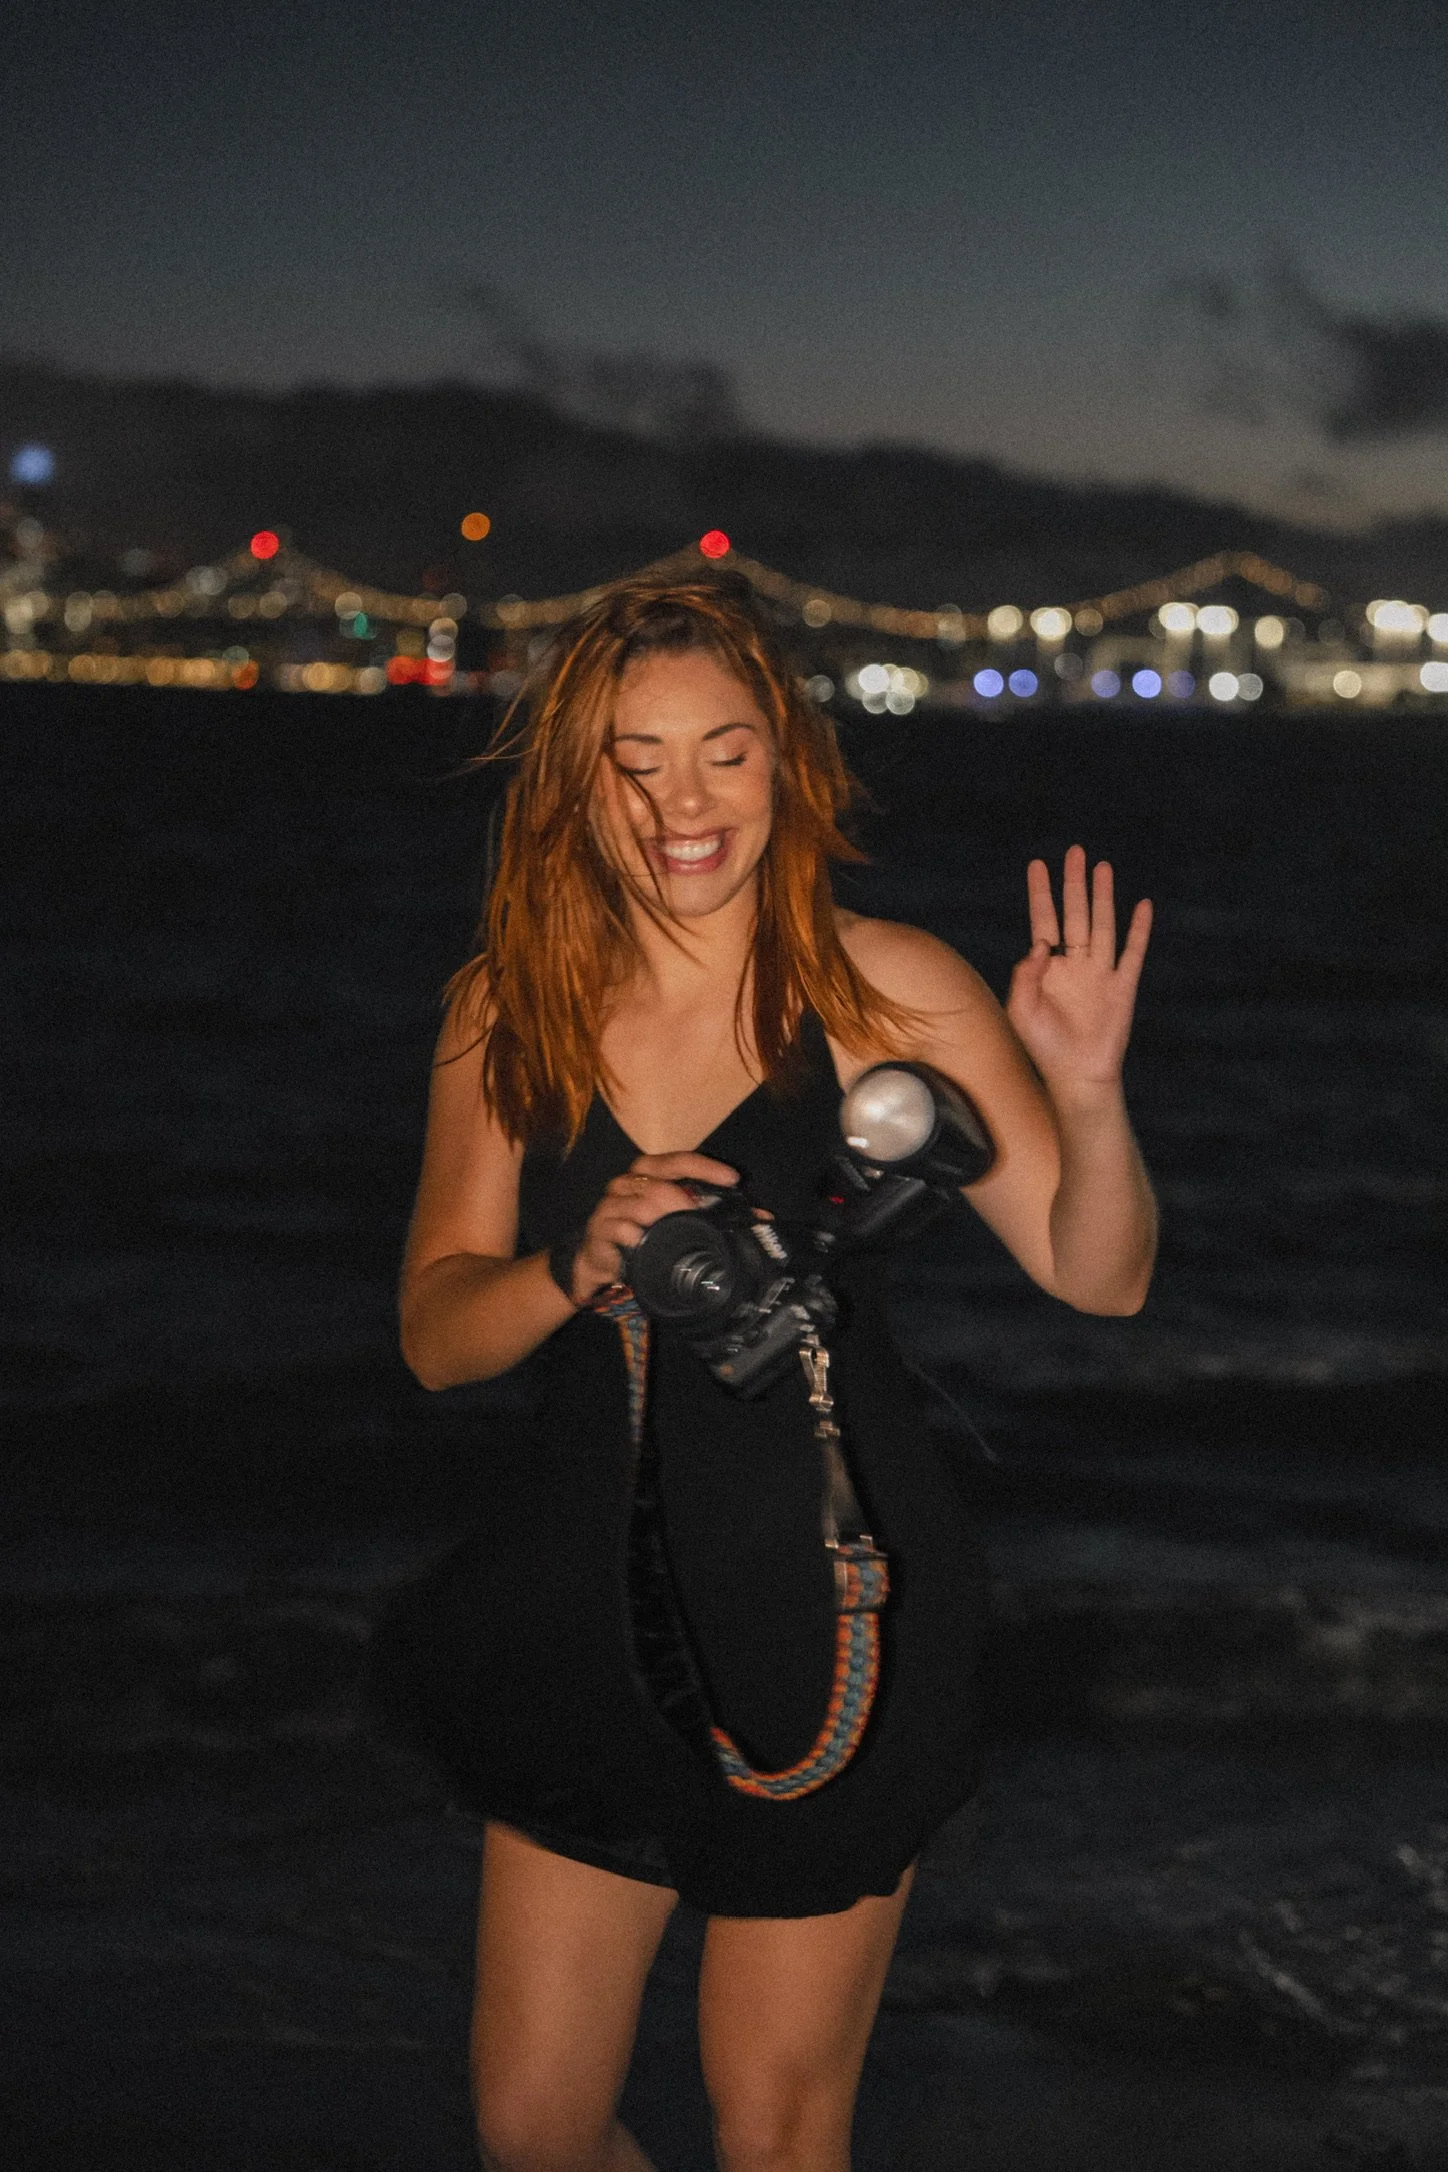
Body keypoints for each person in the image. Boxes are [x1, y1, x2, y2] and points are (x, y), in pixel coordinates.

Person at [394, 569, 1156, 2172]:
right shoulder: (506, 1011)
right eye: (637, 757)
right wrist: (568, 1262)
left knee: (777, 2123)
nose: (686, 802)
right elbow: (436, 1336)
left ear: (788, 763)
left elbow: (1104, 1275)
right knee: (531, 2129)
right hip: (581, 1597)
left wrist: (1084, 1094)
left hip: (833, 1609)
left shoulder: (884, 986)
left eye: (725, 752)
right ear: (575, 784)